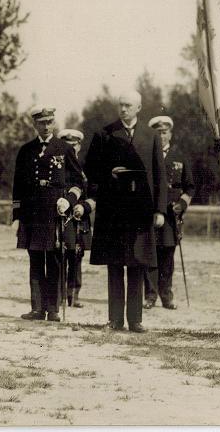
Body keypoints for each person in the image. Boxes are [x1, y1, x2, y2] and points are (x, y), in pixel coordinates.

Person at [84, 91, 167, 332]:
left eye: (128, 105)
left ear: (138, 107)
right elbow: (90, 168)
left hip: (141, 210)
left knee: (137, 263)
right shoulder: (104, 134)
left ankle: (135, 319)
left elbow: (160, 175)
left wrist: (160, 210)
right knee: (114, 264)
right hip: (113, 211)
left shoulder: (151, 136)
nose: (123, 109)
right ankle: (115, 319)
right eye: (120, 105)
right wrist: (108, 173)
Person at [11, 107, 84, 322]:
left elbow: (78, 182)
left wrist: (68, 200)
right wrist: (16, 216)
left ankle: (53, 309)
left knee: (54, 260)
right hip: (32, 213)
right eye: (41, 123)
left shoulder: (64, 148)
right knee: (35, 260)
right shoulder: (26, 150)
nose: (46, 126)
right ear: (35, 124)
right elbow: (18, 187)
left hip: (55, 212)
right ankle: (36, 308)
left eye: (49, 122)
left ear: (54, 123)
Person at [143, 116, 194, 311]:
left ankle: (166, 296)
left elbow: (190, 187)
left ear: (170, 134)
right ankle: (150, 295)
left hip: (172, 216)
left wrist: (182, 204)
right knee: (150, 253)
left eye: (164, 132)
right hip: (151, 212)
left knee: (167, 255)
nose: (161, 136)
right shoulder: (147, 156)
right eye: (158, 133)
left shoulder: (180, 156)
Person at [58, 128, 93, 308]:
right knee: (59, 256)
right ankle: (60, 296)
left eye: (74, 145)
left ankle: (74, 294)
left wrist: (84, 207)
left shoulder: (87, 167)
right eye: (67, 146)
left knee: (77, 257)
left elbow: (94, 195)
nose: (71, 149)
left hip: (80, 219)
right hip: (61, 217)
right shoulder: (57, 167)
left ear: (79, 146)